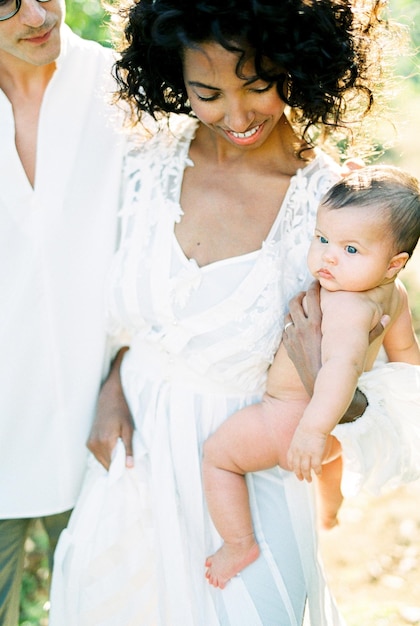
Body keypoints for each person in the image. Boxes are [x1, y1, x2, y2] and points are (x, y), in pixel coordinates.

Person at [49, 1, 415, 625]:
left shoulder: (333, 216)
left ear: (298, 65)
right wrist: (114, 381)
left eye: (258, 84)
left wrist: (332, 387)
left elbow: (396, 379)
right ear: (173, 76)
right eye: (207, 92)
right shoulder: (144, 161)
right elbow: (110, 308)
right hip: (131, 473)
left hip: (250, 486)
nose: (238, 116)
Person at [202, 164, 420, 589]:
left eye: (351, 250)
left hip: (289, 420)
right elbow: (405, 353)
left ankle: (238, 542)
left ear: (394, 263)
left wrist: (312, 430)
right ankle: (330, 504)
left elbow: (337, 368)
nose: (328, 256)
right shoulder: (394, 295)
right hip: (339, 439)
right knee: (327, 462)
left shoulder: (346, 306)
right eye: (322, 239)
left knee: (218, 457)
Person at [0, 1, 128, 623]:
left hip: (108, 425)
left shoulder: (124, 88)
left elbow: (173, 250)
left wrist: (125, 377)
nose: (36, 14)